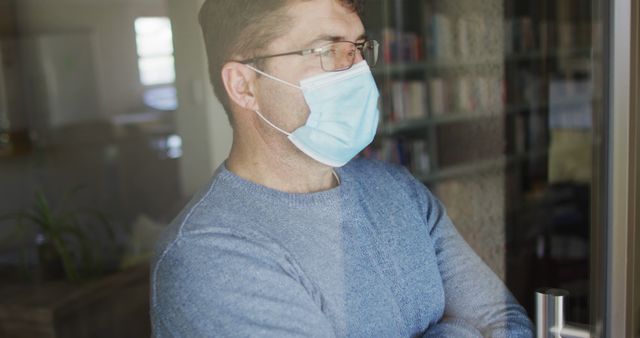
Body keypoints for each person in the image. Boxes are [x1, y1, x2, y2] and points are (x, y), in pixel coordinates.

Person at [150, 0, 534, 336]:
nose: (356, 70)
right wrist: (461, 329)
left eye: (358, 48)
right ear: (244, 86)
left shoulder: (397, 189)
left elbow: (506, 320)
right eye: (325, 49)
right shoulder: (208, 255)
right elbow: (482, 327)